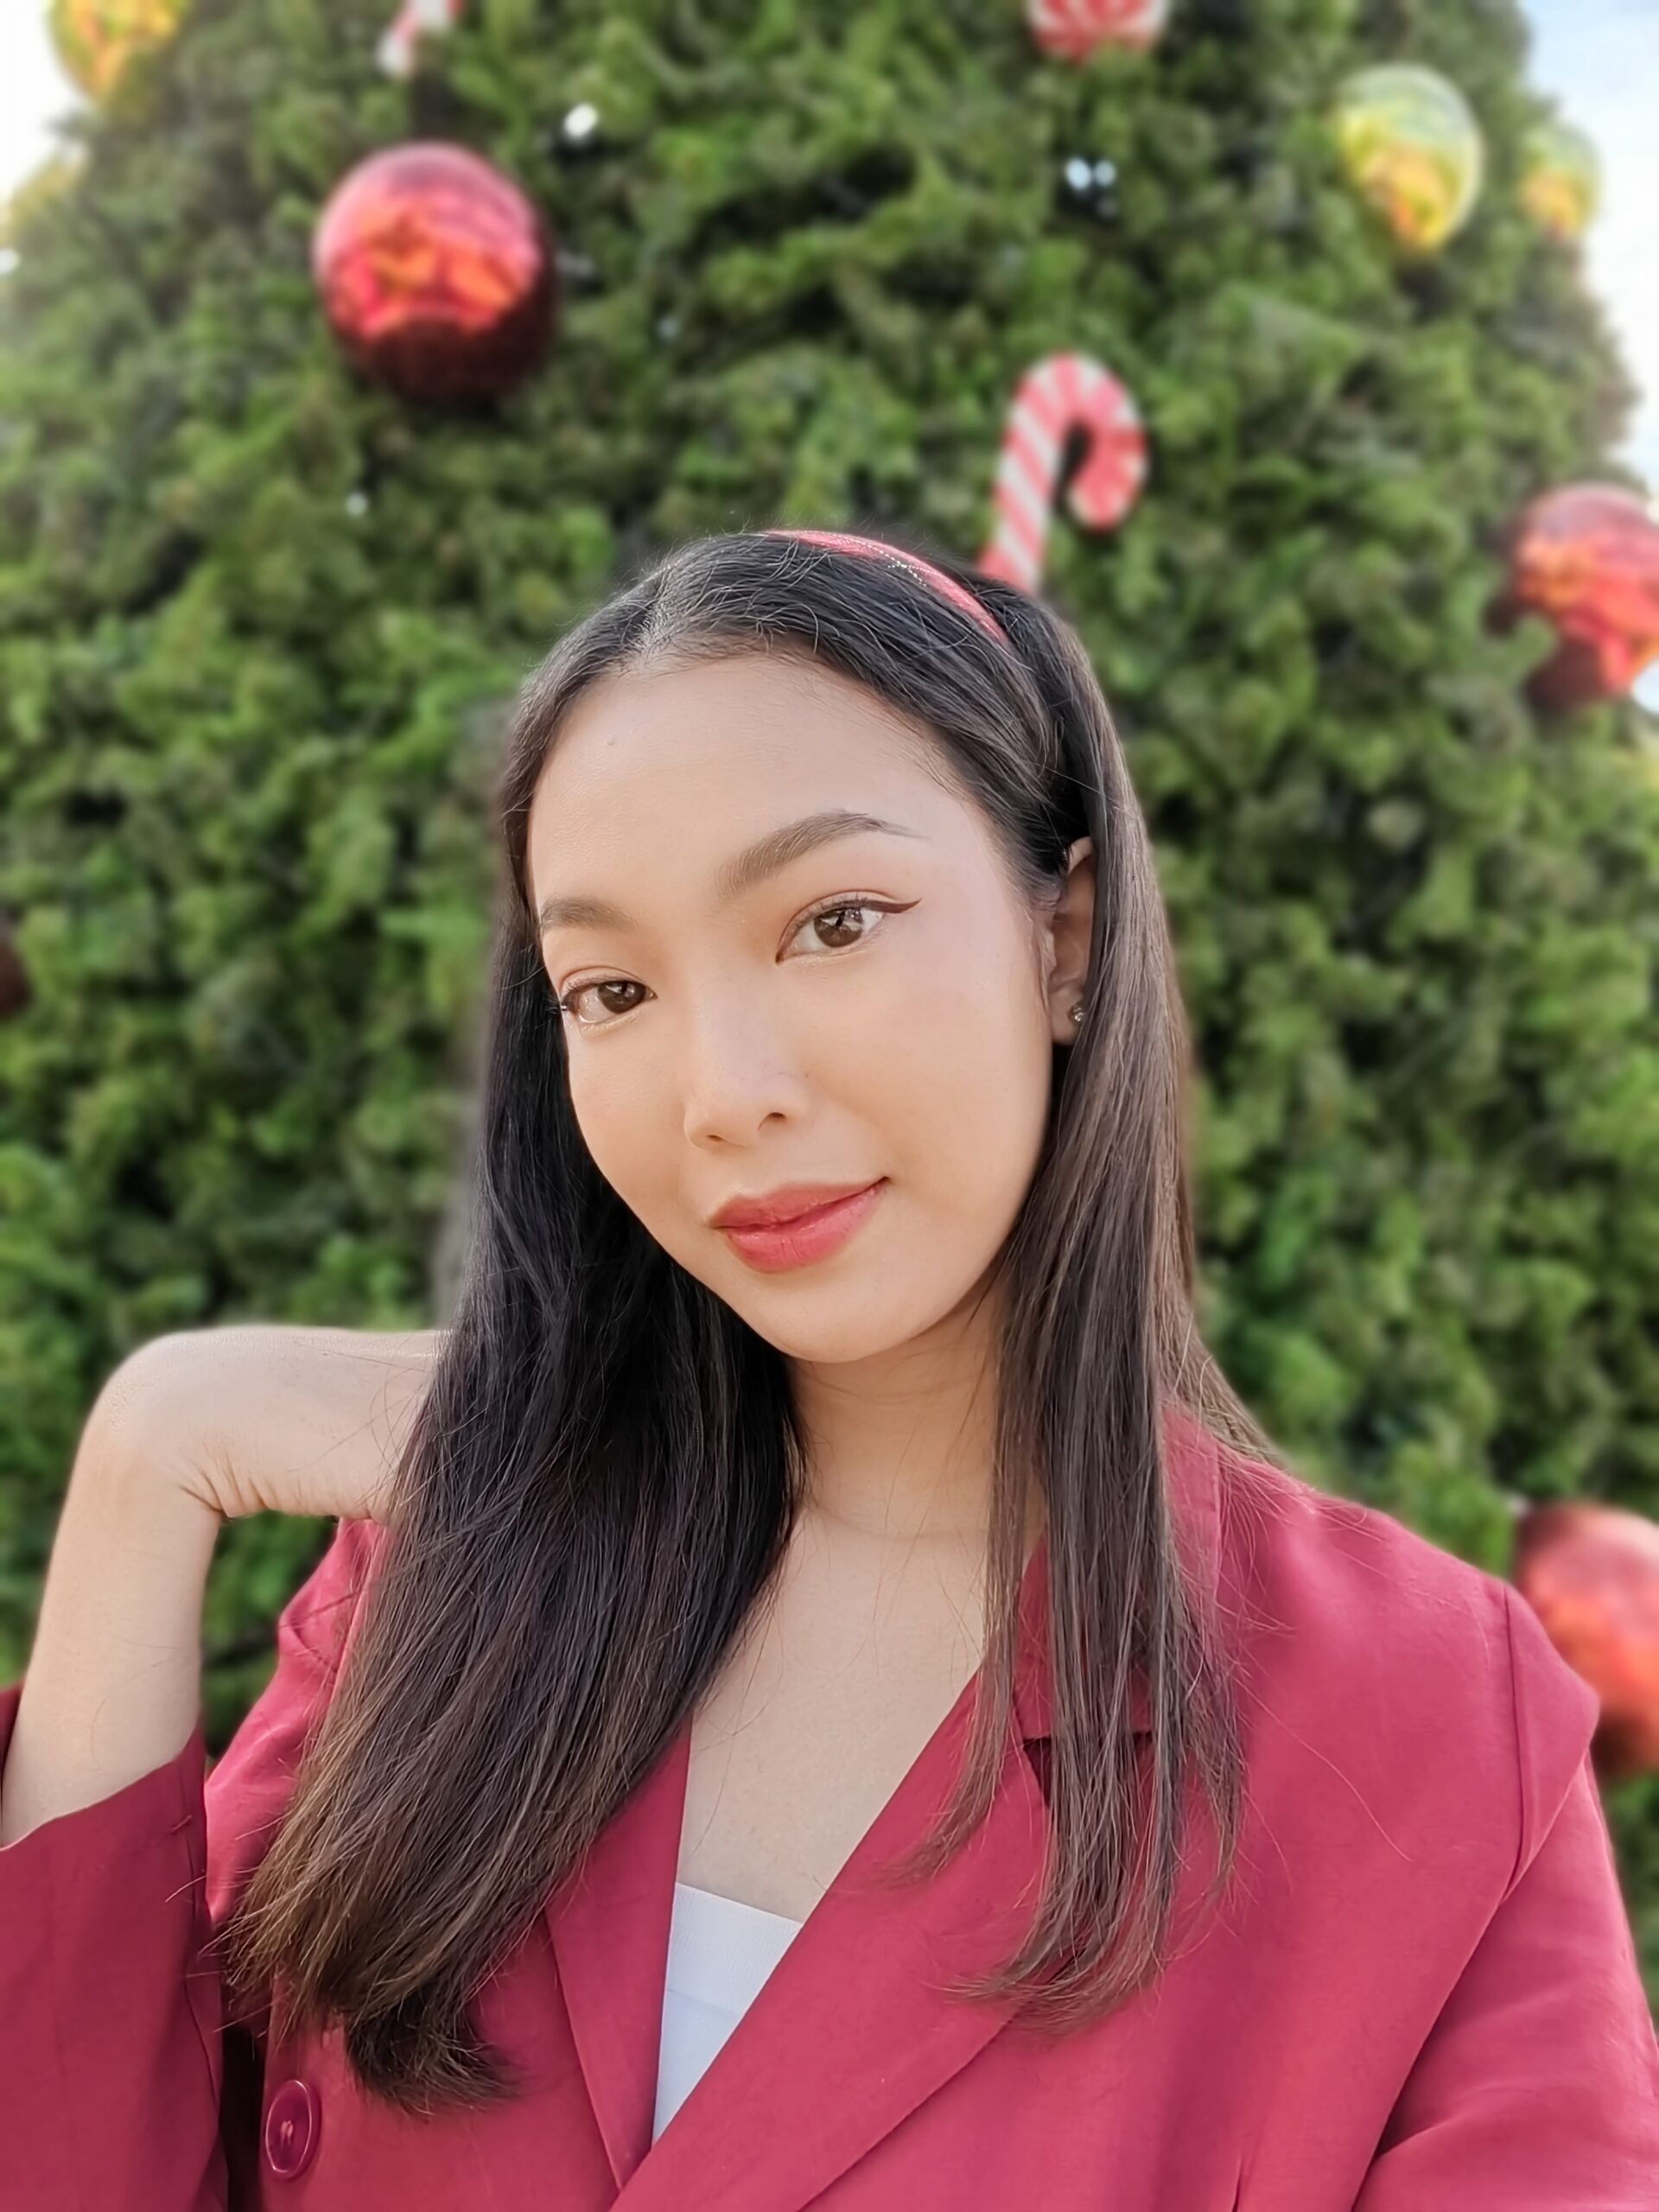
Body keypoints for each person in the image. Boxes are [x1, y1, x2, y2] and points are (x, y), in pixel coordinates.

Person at [1, 526, 1654, 2209]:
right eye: (613, 987)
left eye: (833, 920)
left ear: (1067, 937)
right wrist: (149, 1461)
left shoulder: (1434, 1728)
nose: (723, 1093)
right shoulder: (445, 1578)